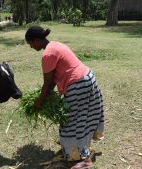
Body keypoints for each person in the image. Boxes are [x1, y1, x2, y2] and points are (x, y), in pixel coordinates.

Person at [25, 26, 105, 169]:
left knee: (72, 123)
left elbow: (48, 83)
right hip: (88, 78)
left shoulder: (47, 55)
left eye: (30, 43)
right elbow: (54, 80)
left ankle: (84, 160)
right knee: (84, 119)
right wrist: (44, 96)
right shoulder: (55, 45)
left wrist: (39, 101)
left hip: (78, 85)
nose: (31, 47)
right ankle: (78, 150)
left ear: (36, 40)